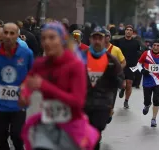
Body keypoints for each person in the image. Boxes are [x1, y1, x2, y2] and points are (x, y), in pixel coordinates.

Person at [18, 22, 99, 150]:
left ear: (62, 40)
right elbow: (28, 83)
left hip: (71, 127)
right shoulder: (40, 64)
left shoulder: (75, 65)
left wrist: (44, 86)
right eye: (43, 38)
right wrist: (24, 95)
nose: (46, 42)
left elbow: (77, 102)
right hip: (46, 124)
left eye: (51, 38)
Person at [0, 23, 33, 150]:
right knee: (0, 136)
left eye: (12, 33)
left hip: (18, 102)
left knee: (17, 135)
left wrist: (25, 84)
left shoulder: (26, 54)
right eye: (6, 33)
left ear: (18, 36)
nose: (8, 36)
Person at [83, 28, 124, 150]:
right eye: (94, 38)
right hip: (83, 102)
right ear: (90, 39)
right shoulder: (81, 57)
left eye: (100, 38)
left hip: (102, 104)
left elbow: (119, 78)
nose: (97, 41)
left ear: (105, 40)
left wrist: (118, 83)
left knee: (95, 133)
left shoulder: (111, 60)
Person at [137, 40, 159, 127]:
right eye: (154, 45)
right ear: (152, 46)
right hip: (147, 81)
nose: (156, 47)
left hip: (158, 80)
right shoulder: (146, 54)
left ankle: (154, 119)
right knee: (147, 100)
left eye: (158, 46)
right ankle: (147, 105)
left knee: (156, 98)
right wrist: (143, 70)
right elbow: (138, 64)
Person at [104, 29, 126, 123]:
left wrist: (117, 70)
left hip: (112, 79)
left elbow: (123, 62)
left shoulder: (116, 49)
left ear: (110, 37)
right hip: (99, 79)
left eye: (107, 36)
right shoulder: (94, 49)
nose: (105, 38)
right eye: (103, 36)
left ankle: (110, 111)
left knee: (111, 98)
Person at [116, 25, 141, 109]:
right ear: (125, 31)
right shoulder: (119, 41)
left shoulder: (136, 42)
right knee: (123, 84)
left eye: (130, 30)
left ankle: (126, 101)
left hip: (131, 66)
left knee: (129, 84)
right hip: (122, 65)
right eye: (127, 30)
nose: (128, 31)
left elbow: (140, 52)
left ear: (132, 32)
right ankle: (122, 88)